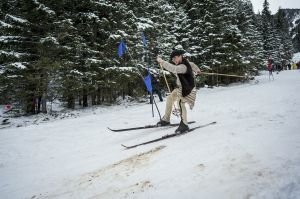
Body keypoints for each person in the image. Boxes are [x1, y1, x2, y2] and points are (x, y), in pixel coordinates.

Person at [156, 49, 201, 133]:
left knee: (180, 102)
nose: (174, 60)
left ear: (180, 56)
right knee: (170, 98)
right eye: (172, 59)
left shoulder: (183, 66)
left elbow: (174, 69)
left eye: (175, 58)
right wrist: (197, 70)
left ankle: (184, 124)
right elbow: (193, 65)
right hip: (181, 87)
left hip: (187, 89)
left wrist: (162, 62)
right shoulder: (186, 63)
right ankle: (166, 119)